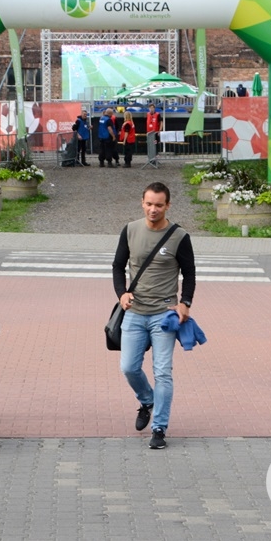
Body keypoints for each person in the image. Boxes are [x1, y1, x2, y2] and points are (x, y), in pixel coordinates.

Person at [112, 181, 196, 450]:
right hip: (134, 313)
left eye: (159, 205)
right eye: (149, 204)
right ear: (142, 203)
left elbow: (190, 273)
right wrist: (121, 293)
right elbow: (117, 266)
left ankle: (159, 427)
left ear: (167, 205)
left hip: (164, 315)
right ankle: (147, 400)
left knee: (163, 372)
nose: (153, 209)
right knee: (128, 367)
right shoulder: (130, 230)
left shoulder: (179, 236)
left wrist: (185, 303)